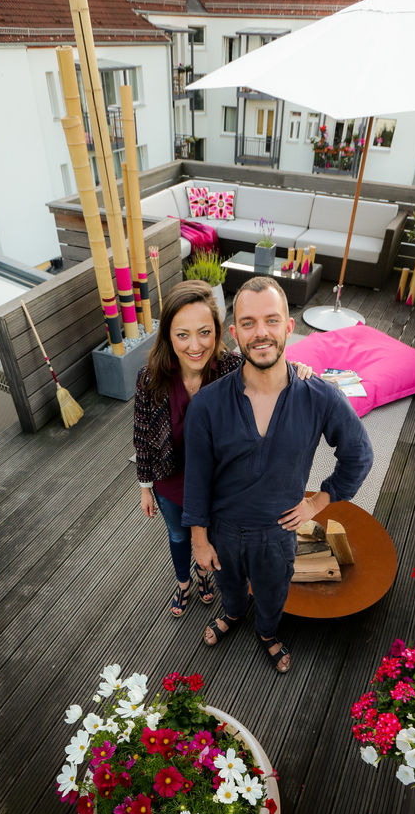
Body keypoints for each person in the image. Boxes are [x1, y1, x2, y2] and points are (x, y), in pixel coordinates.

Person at [181, 276, 374, 673]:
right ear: (235, 334)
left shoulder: (319, 397)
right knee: (229, 586)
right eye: (248, 323)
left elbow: (359, 454)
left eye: (271, 320)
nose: (261, 332)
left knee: (272, 593)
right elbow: (196, 480)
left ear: (289, 327)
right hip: (225, 527)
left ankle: (267, 633)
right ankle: (233, 615)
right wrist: (199, 542)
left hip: (278, 531)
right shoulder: (208, 404)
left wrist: (321, 500)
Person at [134, 279, 314, 617]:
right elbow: (142, 436)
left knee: (210, 536)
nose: (194, 345)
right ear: (168, 336)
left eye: (204, 332)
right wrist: (145, 487)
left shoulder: (231, 369)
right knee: (177, 535)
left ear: (218, 333)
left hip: (218, 483)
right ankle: (183, 581)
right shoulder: (150, 378)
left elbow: (271, 373)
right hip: (170, 481)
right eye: (182, 334)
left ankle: (205, 575)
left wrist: (299, 371)